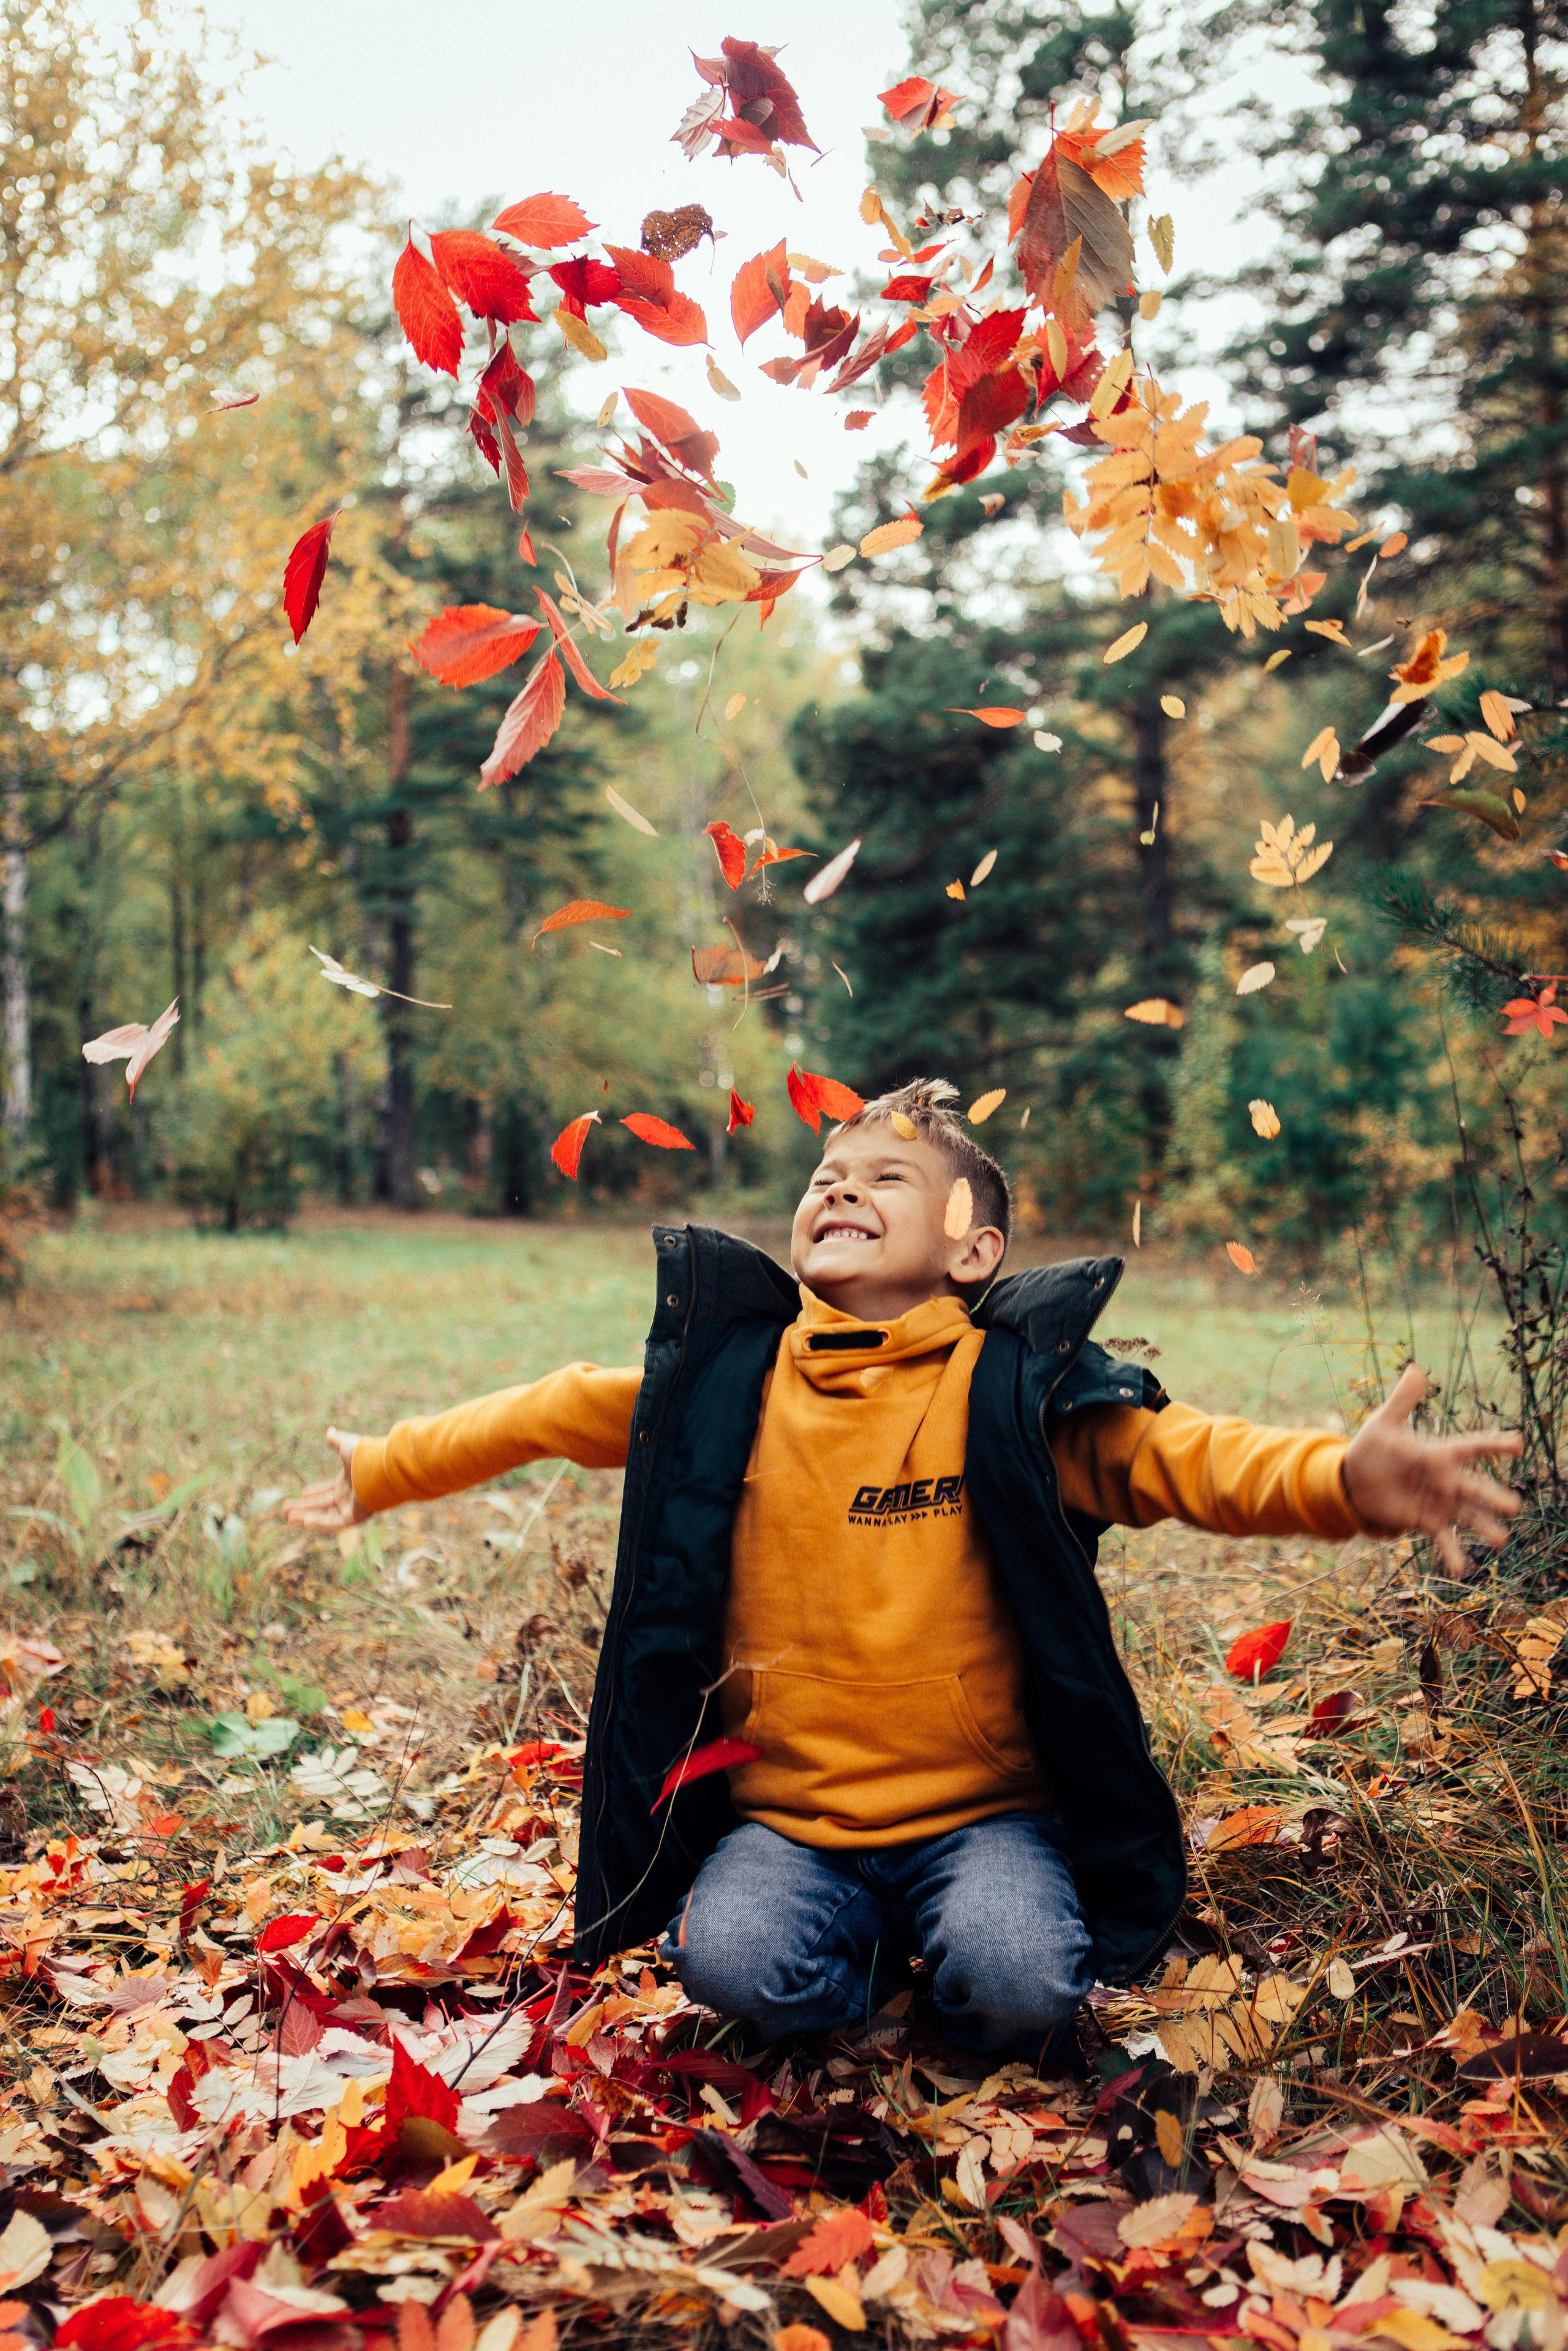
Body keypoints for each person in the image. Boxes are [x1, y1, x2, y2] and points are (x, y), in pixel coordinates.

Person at [285, 1077, 1520, 2061]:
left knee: (1022, 1977)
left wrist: (1339, 1484)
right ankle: (861, 1960)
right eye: (826, 1175)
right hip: (792, 1826)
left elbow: (1183, 1458)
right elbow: (552, 1408)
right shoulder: (732, 1394)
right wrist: (386, 1467)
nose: (840, 1185)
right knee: (726, 1964)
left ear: (969, 1248)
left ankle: (948, 1974)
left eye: (886, 1175)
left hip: (979, 1817)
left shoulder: (1005, 1399)